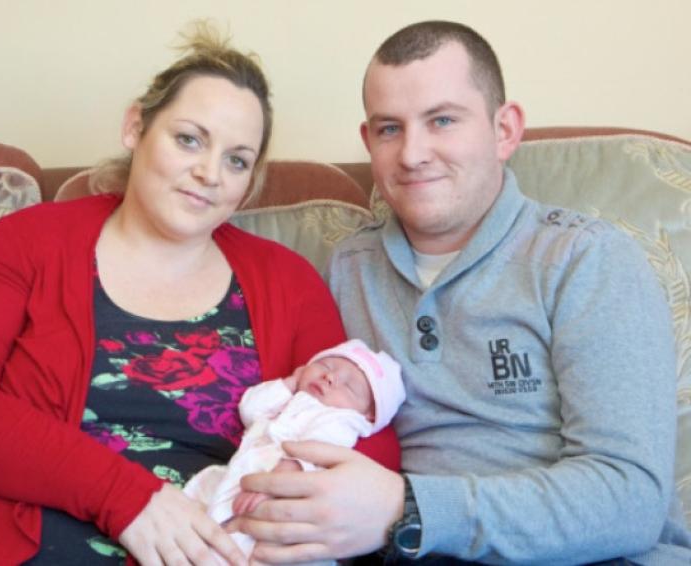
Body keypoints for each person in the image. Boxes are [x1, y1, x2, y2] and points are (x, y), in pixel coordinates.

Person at [0, 24, 399, 566]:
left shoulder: (289, 282)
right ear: (136, 125)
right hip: (1, 542)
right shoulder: (29, 240)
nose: (208, 173)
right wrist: (129, 498)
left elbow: (364, 427)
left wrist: (312, 505)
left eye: (236, 159)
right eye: (189, 139)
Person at [230, 20, 691, 565]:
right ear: (368, 141)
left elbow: (629, 500)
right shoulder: (346, 269)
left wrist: (410, 507)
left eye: (442, 120)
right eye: (389, 129)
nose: (412, 154)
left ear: (505, 130)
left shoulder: (586, 259)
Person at [184, 338, 405, 563]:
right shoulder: (292, 398)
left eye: (349, 386)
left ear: (369, 415)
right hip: (242, 473)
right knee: (204, 498)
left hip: (281, 488)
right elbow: (250, 409)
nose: (330, 377)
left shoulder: (342, 419)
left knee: (245, 542)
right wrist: (289, 384)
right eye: (325, 366)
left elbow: (316, 447)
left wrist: (276, 482)